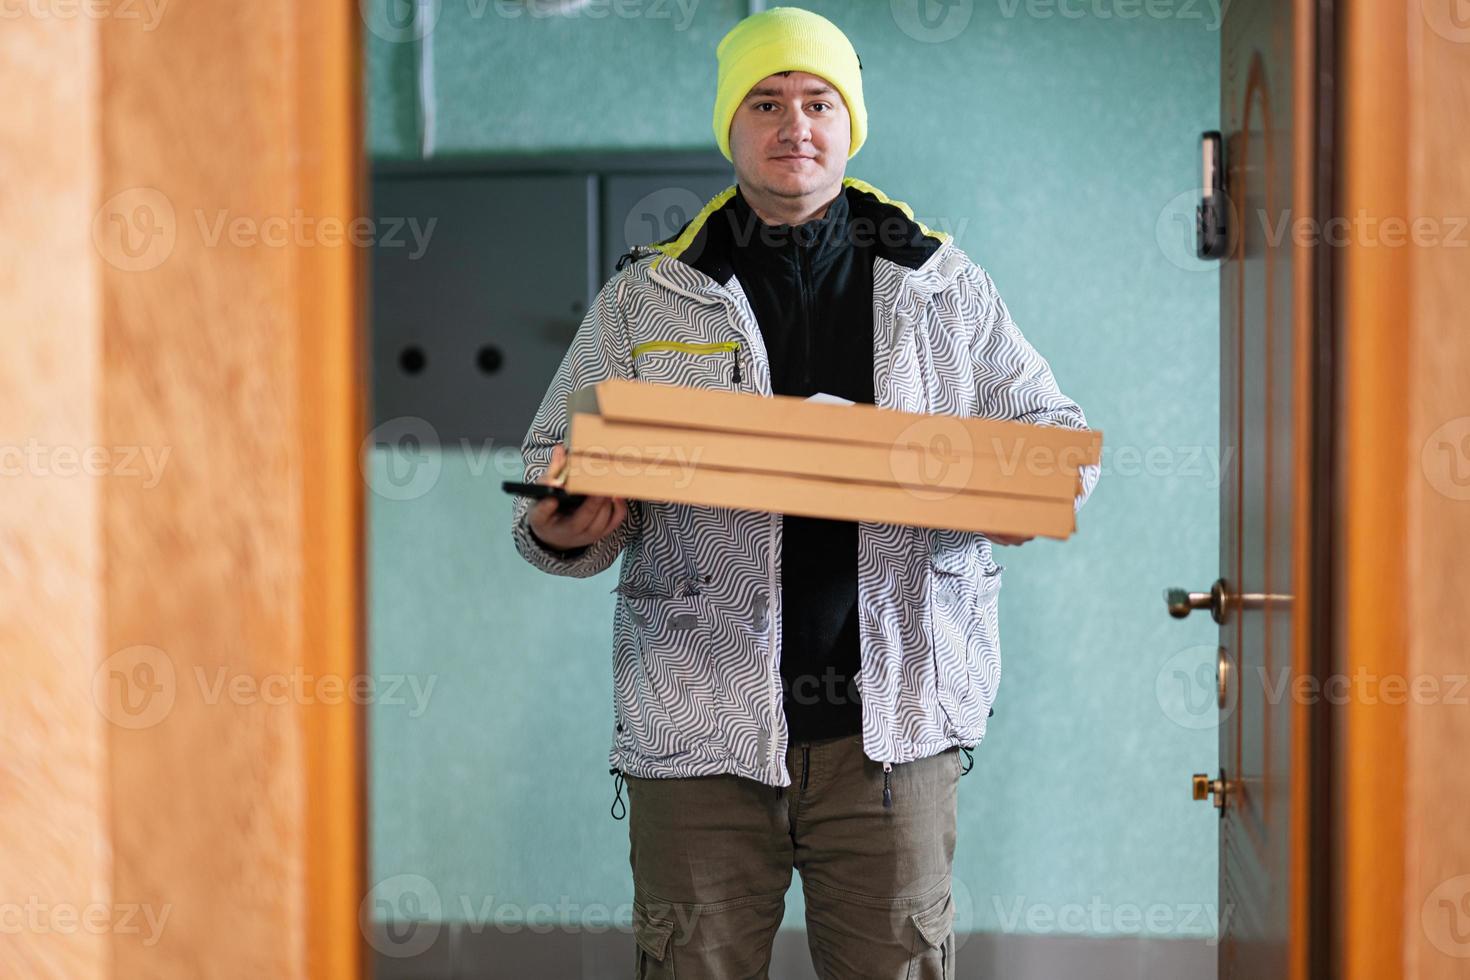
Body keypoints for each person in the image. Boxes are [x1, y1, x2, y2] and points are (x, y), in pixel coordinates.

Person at [510, 7, 1099, 977]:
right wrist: (564, 522)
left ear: (848, 121)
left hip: (896, 731)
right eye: (767, 101)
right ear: (731, 126)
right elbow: (547, 475)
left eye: (819, 100)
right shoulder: (649, 295)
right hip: (700, 730)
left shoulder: (944, 286)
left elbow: (1061, 440)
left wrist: (1016, 494)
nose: (796, 124)